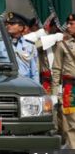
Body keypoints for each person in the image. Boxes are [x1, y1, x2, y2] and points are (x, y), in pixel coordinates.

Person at [52, 14, 75, 148]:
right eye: (68, 23)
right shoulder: (63, 45)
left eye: (72, 23)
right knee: (71, 125)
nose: (68, 26)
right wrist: (55, 94)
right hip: (70, 88)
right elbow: (56, 70)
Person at [5, 12, 39, 82]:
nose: (8, 25)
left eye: (12, 24)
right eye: (7, 23)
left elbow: (34, 71)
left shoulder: (30, 46)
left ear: (21, 27)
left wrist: (36, 88)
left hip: (24, 84)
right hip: (6, 83)